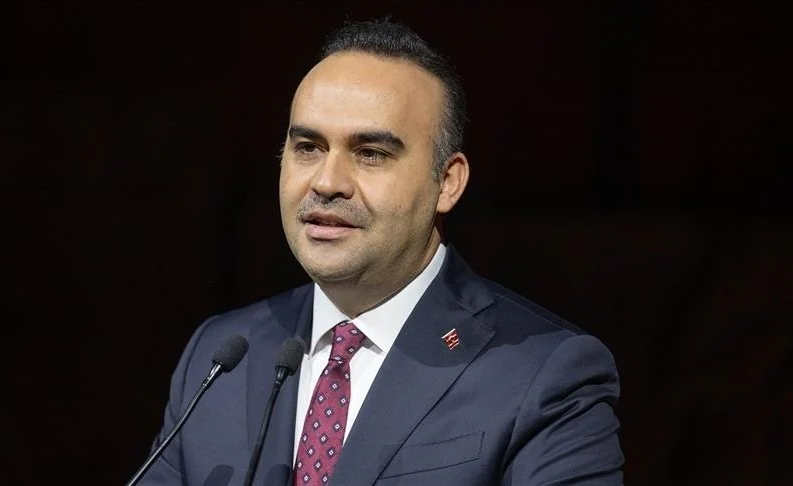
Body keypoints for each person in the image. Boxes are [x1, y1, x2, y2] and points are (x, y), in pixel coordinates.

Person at [138, 20, 623, 486]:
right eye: (308, 147)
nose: (327, 182)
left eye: (370, 153)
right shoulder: (221, 356)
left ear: (447, 182)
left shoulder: (543, 372)